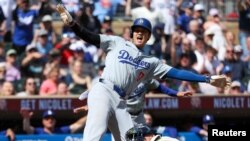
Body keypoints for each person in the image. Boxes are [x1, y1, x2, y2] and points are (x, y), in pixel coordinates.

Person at [56, 4, 231, 141]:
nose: (140, 34)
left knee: (131, 138)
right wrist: (73, 24)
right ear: (132, 33)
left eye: (144, 32)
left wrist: (206, 78)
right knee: (95, 133)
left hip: (121, 101)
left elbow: (176, 73)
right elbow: (90, 36)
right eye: (137, 31)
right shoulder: (117, 42)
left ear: (148, 37)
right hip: (104, 89)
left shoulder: (151, 62)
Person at [20, 109, 87, 134]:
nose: (50, 120)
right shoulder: (38, 131)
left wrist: (92, 113)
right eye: (47, 118)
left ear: (55, 121)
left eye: (52, 118)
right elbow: (27, 128)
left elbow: (78, 124)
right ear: (43, 121)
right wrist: (26, 118)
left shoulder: (61, 131)